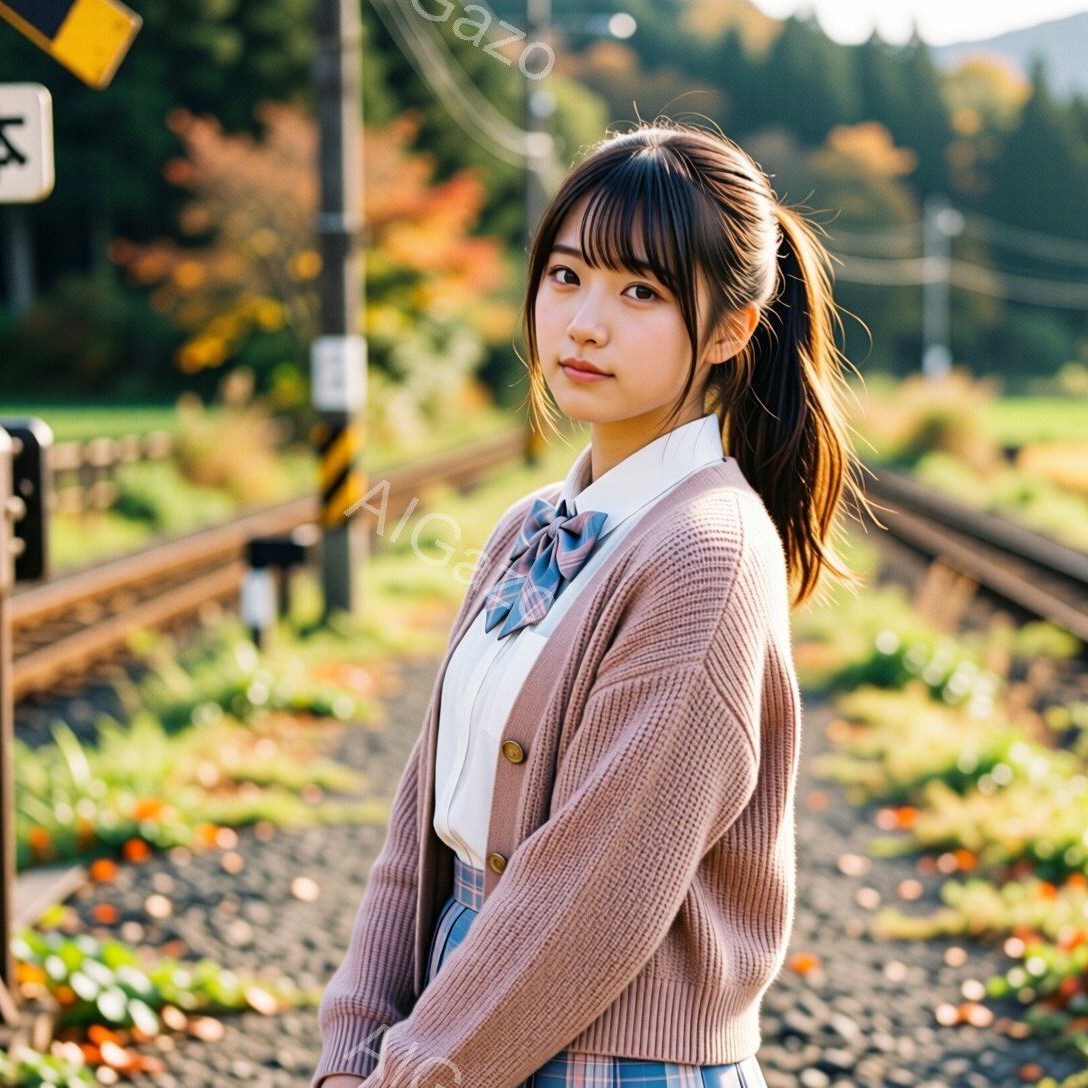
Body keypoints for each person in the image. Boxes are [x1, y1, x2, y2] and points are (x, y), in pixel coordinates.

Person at [310, 120, 865, 1088]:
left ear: (732, 329)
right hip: (468, 1037)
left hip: (606, 1058)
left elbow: (591, 889)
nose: (583, 323)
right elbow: (416, 835)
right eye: (565, 277)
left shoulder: (706, 553)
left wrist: (411, 1068)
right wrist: (352, 1049)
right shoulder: (533, 523)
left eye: (639, 291)